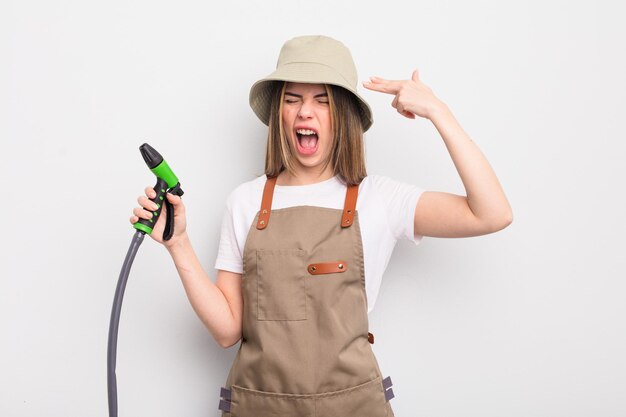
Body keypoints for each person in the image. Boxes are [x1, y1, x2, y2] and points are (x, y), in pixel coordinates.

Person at [129, 35, 512, 416]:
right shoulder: (245, 201)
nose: (304, 113)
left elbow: (491, 213)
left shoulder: (378, 198)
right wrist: (178, 243)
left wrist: (438, 112)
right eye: (292, 100)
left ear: (342, 114)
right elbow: (228, 329)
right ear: (280, 112)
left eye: (322, 101)